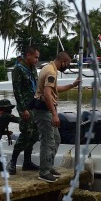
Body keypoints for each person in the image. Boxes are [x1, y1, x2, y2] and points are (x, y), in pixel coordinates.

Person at [32, 51, 80, 183]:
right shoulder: (51, 72)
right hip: (44, 110)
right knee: (48, 141)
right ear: (63, 61)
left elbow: (54, 88)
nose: (67, 66)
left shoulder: (48, 68)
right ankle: (44, 172)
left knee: (56, 138)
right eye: (68, 63)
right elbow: (47, 94)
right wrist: (54, 115)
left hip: (45, 109)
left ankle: (49, 166)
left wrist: (71, 85)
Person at [7, 46, 41, 175]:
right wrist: (23, 109)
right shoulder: (18, 69)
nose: (37, 60)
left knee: (34, 134)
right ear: (28, 55)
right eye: (35, 57)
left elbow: (36, 87)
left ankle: (27, 162)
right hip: (25, 107)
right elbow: (17, 91)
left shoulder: (33, 69)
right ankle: (13, 161)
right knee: (26, 134)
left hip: (35, 106)